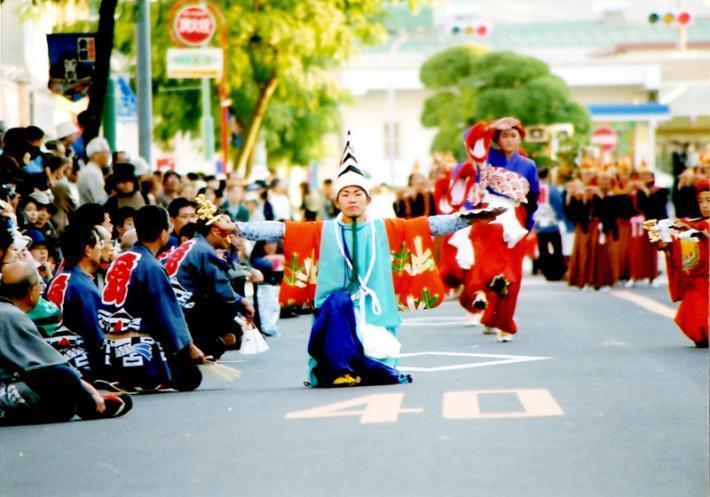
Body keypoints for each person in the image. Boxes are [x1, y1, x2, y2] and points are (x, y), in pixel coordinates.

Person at [235, 132, 502, 387]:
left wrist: (469, 218)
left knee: (379, 369)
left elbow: (429, 225)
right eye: (345, 194)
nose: (352, 199)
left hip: (375, 307)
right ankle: (338, 368)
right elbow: (279, 229)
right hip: (337, 310)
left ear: (368, 199)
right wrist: (236, 228)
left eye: (357, 193)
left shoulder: (384, 229)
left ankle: (361, 367)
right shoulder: (323, 230)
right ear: (336, 200)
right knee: (338, 302)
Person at [0, 261, 132, 424]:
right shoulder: (10, 316)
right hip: (6, 392)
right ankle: (93, 405)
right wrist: (86, 389)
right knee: (62, 378)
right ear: (32, 291)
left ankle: (86, 401)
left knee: (62, 392)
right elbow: (50, 366)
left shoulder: (6, 312)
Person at [98, 205, 205, 392]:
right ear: (163, 233)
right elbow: (166, 313)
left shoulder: (121, 259)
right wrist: (188, 345)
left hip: (108, 349)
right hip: (138, 348)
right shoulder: (151, 266)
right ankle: (144, 376)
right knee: (190, 376)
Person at [163, 196, 255, 358]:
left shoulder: (194, 245)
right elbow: (222, 289)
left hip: (173, 306)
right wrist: (243, 302)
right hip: (180, 309)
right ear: (215, 230)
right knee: (224, 300)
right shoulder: (204, 250)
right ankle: (205, 341)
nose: (231, 237)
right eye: (227, 232)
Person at [651, 179, 709, 348]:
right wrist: (668, 244)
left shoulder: (697, 225)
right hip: (702, 278)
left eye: (708, 201)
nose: (704, 206)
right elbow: (687, 244)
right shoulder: (693, 224)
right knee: (696, 323)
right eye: (701, 201)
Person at [45, 224, 106, 381]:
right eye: (99, 243)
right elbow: (95, 334)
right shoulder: (83, 286)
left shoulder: (55, 280)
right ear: (87, 250)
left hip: (50, 359)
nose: (101, 247)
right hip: (79, 363)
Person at [533, 168, 567, 281]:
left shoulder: (535, 188)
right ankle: (558, 272)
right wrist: (561, 219)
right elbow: (558, 204)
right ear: (547, 176)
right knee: (557, 249)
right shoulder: (552, 189)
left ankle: (547, 272)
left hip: (539, 223)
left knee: (543, 250)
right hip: (553, 222)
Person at [249, 240, 284, 337]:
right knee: (265, 308)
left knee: (275, 308)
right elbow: (273, 266)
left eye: (273, 243)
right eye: (267, 244)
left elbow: (292, 261)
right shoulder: (257, 258)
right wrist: (280, 260)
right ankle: (266, 328)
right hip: (263, 287)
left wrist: (275, 257)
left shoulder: (279, 254)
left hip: (277, 287)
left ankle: (271, 327)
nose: (270, 246)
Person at [77, 137, 111, 205]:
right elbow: (101, 200)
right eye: (106, 153)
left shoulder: (93, 170)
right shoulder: (91, 172)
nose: (108, 156)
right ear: (96, 155)